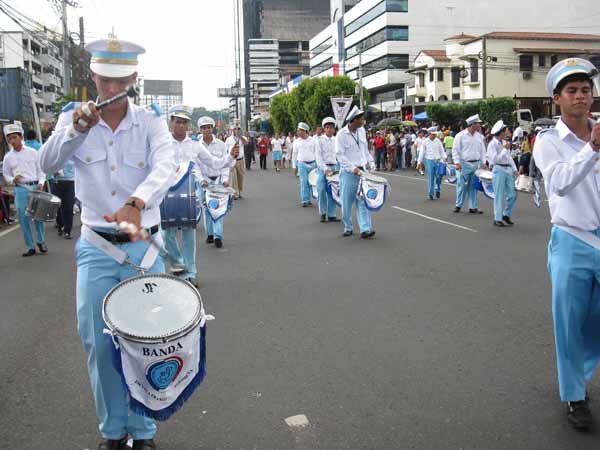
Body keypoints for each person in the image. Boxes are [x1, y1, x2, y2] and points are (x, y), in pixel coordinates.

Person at [38, 38, 238, 450]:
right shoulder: (71, 118)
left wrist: (137, 201)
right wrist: (75, 131)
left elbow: (166, 164)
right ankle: (113, 431)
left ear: (133, 78)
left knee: (147, 342)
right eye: (104, 79)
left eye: (120, 80)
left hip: (142, 248)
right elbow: (47, 163)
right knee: (98, 342)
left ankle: (144, 432)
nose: (111, 88)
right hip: (96, 247)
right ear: (93, 76)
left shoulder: (151, 122)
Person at [534, 58, 600, 431]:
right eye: (572, 91)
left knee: (595, 324)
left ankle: (578, 371)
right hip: (572, 239)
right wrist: (592, 149)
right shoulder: (548, 142)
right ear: (556, 99)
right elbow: (559, 183)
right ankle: (574, 394)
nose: (580, 96)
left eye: (586, 90)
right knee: (570, 323)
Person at [2, 123, 47, 256]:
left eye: (14, 137)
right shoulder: (8, 157)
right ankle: (30, 246)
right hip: (20, 189)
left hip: (35, 187)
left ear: (21, 137)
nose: (12, 141)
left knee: (38, 216)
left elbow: (41, 170)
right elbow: (6, 174)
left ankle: (41, 241)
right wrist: (12, 179)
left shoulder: (33, 152)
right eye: (9, 139)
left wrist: (41, 182)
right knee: (23, 218)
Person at [335, 106, 376, 239]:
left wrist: (371, 163)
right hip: (348, 173)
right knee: (346, 202)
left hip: (362, 171)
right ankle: (348, 227)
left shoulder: (361, 131)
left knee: (363, 200)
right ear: (354, 120)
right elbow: (340, 156)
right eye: (361, 119)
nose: (363, 121)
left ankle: (365, 228)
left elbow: (365, 150)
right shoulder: (341, 135)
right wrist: (353, 168)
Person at [197, 116, 236, 249]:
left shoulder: (221, 144)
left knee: (218, 207)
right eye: (203, 128)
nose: (206, 130)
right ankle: (210, 233)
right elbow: (195, 166)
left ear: (212, 128)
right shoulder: (196, 146)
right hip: (204, 181)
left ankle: (218, 236)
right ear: (200, 130)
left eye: (208, 127)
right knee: (206, 208)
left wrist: (225, 179)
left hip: (218, 180)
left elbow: (225, 163)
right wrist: (201, 180)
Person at [452, 114, 486, 214]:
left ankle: (473, 207)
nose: (479, 125)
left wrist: (483, 162)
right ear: (472, 124)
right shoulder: (460, 135)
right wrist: (457, 162)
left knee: (473, 186)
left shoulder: (479, 136)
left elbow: (483, 151)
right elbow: (455, 150)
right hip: (464, 164)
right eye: (478, 123)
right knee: (461, 185)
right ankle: (458, 205)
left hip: (476, 163)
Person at [486, 120, 517, 227]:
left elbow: (509, 158)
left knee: (512, 194)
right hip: (498, 169)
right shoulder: (492, 144)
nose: (507, 133)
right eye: (506, 131)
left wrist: (515, 169)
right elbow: (494, 160)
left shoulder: (504, 143)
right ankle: (497, 218)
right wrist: (504, 150)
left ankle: (506, 214)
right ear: (501, 132)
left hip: (508, 169)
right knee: (499, 194)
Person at [315, 117, 340, 223]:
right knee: (321, 190)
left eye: (331, 127)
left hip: (334, 167)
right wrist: (325, 169)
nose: (329, 129)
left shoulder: (337, 140)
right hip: (322, 168)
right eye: (327, 127)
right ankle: (322, 213)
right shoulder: (319, 140)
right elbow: (318, 157)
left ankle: (332, 214)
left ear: (334, 129)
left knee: (333, 192)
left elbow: (340, 155)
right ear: (324, 129)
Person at [417, 127, 447, 200]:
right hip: (429, 161)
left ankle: (438, 189)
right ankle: (430, 193)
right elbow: (422, 152)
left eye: (435, 134)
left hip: (438, 160)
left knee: (439, 176)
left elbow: (442, 150)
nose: (434, 135)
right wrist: (419, 162)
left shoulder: (438, 141)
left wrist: (444, 158)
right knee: (431, 177)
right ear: (429, 134)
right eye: (433, 134)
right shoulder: (425, 142)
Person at [292, 122, 317, 207]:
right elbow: (294, 154)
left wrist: (318, 165)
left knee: (311, 182)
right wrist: (294, 166)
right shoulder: (296, 142)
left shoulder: (313, 140)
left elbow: (317, 153)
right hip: (301, 164)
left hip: (312, 164)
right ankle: (304, 200)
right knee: (303, 182)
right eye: (298, 130)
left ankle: (309, 199)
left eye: (299, 130)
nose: (298, 132)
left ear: (305, 131)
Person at [53, 158, 75, 238]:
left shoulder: (73, 154)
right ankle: (60, 225)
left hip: (70, 182)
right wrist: (52, 171)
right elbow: (48, 166)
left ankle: (67, 230)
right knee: (58, 206)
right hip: (57, 182)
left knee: (69, 207)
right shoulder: (56, 154)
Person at [226, 125, 247, 198]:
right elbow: (226, 150)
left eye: (238, 129)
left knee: (240, 176)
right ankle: (235, 193)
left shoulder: (242, 138)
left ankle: (240, 191)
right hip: (232, 160)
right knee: (233, 177)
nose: (236, 130)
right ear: (232, 130)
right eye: (235, 129)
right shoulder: (228, 139)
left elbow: (246, 143)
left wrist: (240, 136)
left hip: (240, 160)